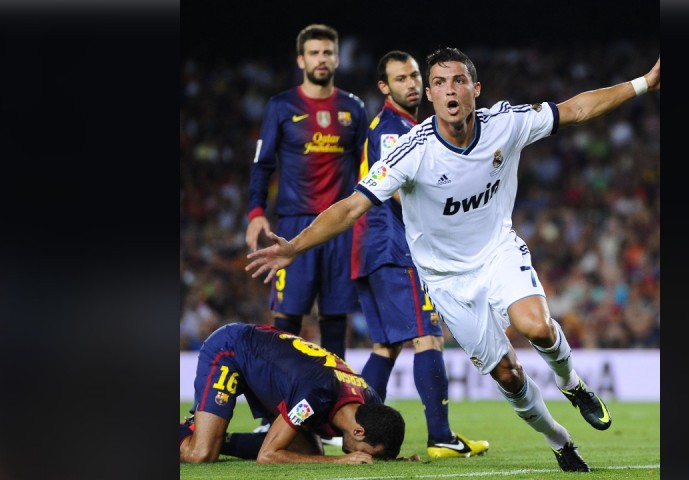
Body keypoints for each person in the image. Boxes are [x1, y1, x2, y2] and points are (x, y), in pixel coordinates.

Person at [246, 46, 661, 472]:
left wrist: (644, 83)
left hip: (497, 252)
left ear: (475, 89)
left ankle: (571, 383)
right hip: (445, 280)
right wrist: (294, 246)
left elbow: (575, 109)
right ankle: (560, 439)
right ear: (429, 94)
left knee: (536, 325)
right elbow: (352, 207)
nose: (451, 90)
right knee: (508, 376)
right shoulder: (412, 151)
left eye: (459, 80)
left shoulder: (505, 123)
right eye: (440, 83)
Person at [351, 50, 489, 459]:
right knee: (428, 336)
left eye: (414, 76)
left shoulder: (399, 125)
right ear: (384, 87)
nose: (411, 84)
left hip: (369, 248)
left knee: (385, 346)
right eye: (400, 78)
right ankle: (441, 436)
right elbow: (395, 189)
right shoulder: (394, 129)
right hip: (395, 246)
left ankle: (353, 433)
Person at [246, 23, 368, 361]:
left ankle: (334, 406)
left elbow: (369, 171)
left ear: (337, 58)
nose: (322, 59)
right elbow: (262, 165)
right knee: (286, 322)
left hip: (339, 229)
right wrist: (256, 213)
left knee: (334, 320)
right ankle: (276, 408)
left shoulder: (354, 108)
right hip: (293, 226)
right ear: (301, 60)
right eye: (314, 53)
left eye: (328, 52)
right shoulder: (281, 107)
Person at [179, 322, 406, 464]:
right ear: (358, 431)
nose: (368, 459)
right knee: (201, 454)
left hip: (268, 361)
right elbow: (267, 456)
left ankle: (211, 435)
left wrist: (393, 458)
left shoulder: (369, 400)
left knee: (309, 452)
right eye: (372, 454)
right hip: (230, 349)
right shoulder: (315, 395)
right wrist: (339, 460)